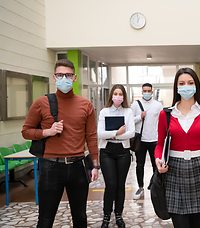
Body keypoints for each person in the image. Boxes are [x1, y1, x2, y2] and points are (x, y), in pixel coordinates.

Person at [22, 59, 99, 228]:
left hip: (78, 166)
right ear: (54, 78)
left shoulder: (86, 105)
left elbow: (91, 136)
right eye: (60, 74)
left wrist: (95, 165)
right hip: (51, 167)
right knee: (46, 219)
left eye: (68, 75)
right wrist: (46, 132)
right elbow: (26, 131)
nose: (64, 78)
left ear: (75, 77)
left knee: (80, 217)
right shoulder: (41, 103)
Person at [155, 68, 200, 228]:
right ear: (176, 87)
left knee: (195, 225)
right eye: (182, 83)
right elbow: (159, 144)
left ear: (196, 86)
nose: (186, 86)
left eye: (190, 82)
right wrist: (158, 159)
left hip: (199, 168)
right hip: (173, 170)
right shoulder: (166, 114)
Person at [97, 84, 135, 228]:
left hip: (123, 152)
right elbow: (100, 134)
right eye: (115, 93)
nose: (118, 96)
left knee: (120, 186)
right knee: (111, 185)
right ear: (111, 96)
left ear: (124, 96)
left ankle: (119, 215)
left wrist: (112, 135)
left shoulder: (128, 112)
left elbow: (131, 133)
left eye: (120, 94)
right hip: (106, 152)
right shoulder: (104, 111)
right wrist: (117, 133)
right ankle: (106, 216)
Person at [131, 83, 163, 199]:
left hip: (154, 140)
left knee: (156, 165)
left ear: (152, 92)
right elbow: (130, 121)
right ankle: (140, 188)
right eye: (145, 91)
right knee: (140, 165)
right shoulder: (135, 105)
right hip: (140, 140)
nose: (147, 93)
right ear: (142, 91)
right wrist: (140, 116)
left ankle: (155, 186)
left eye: (149, 91)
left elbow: (161, 122)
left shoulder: (158, 105)